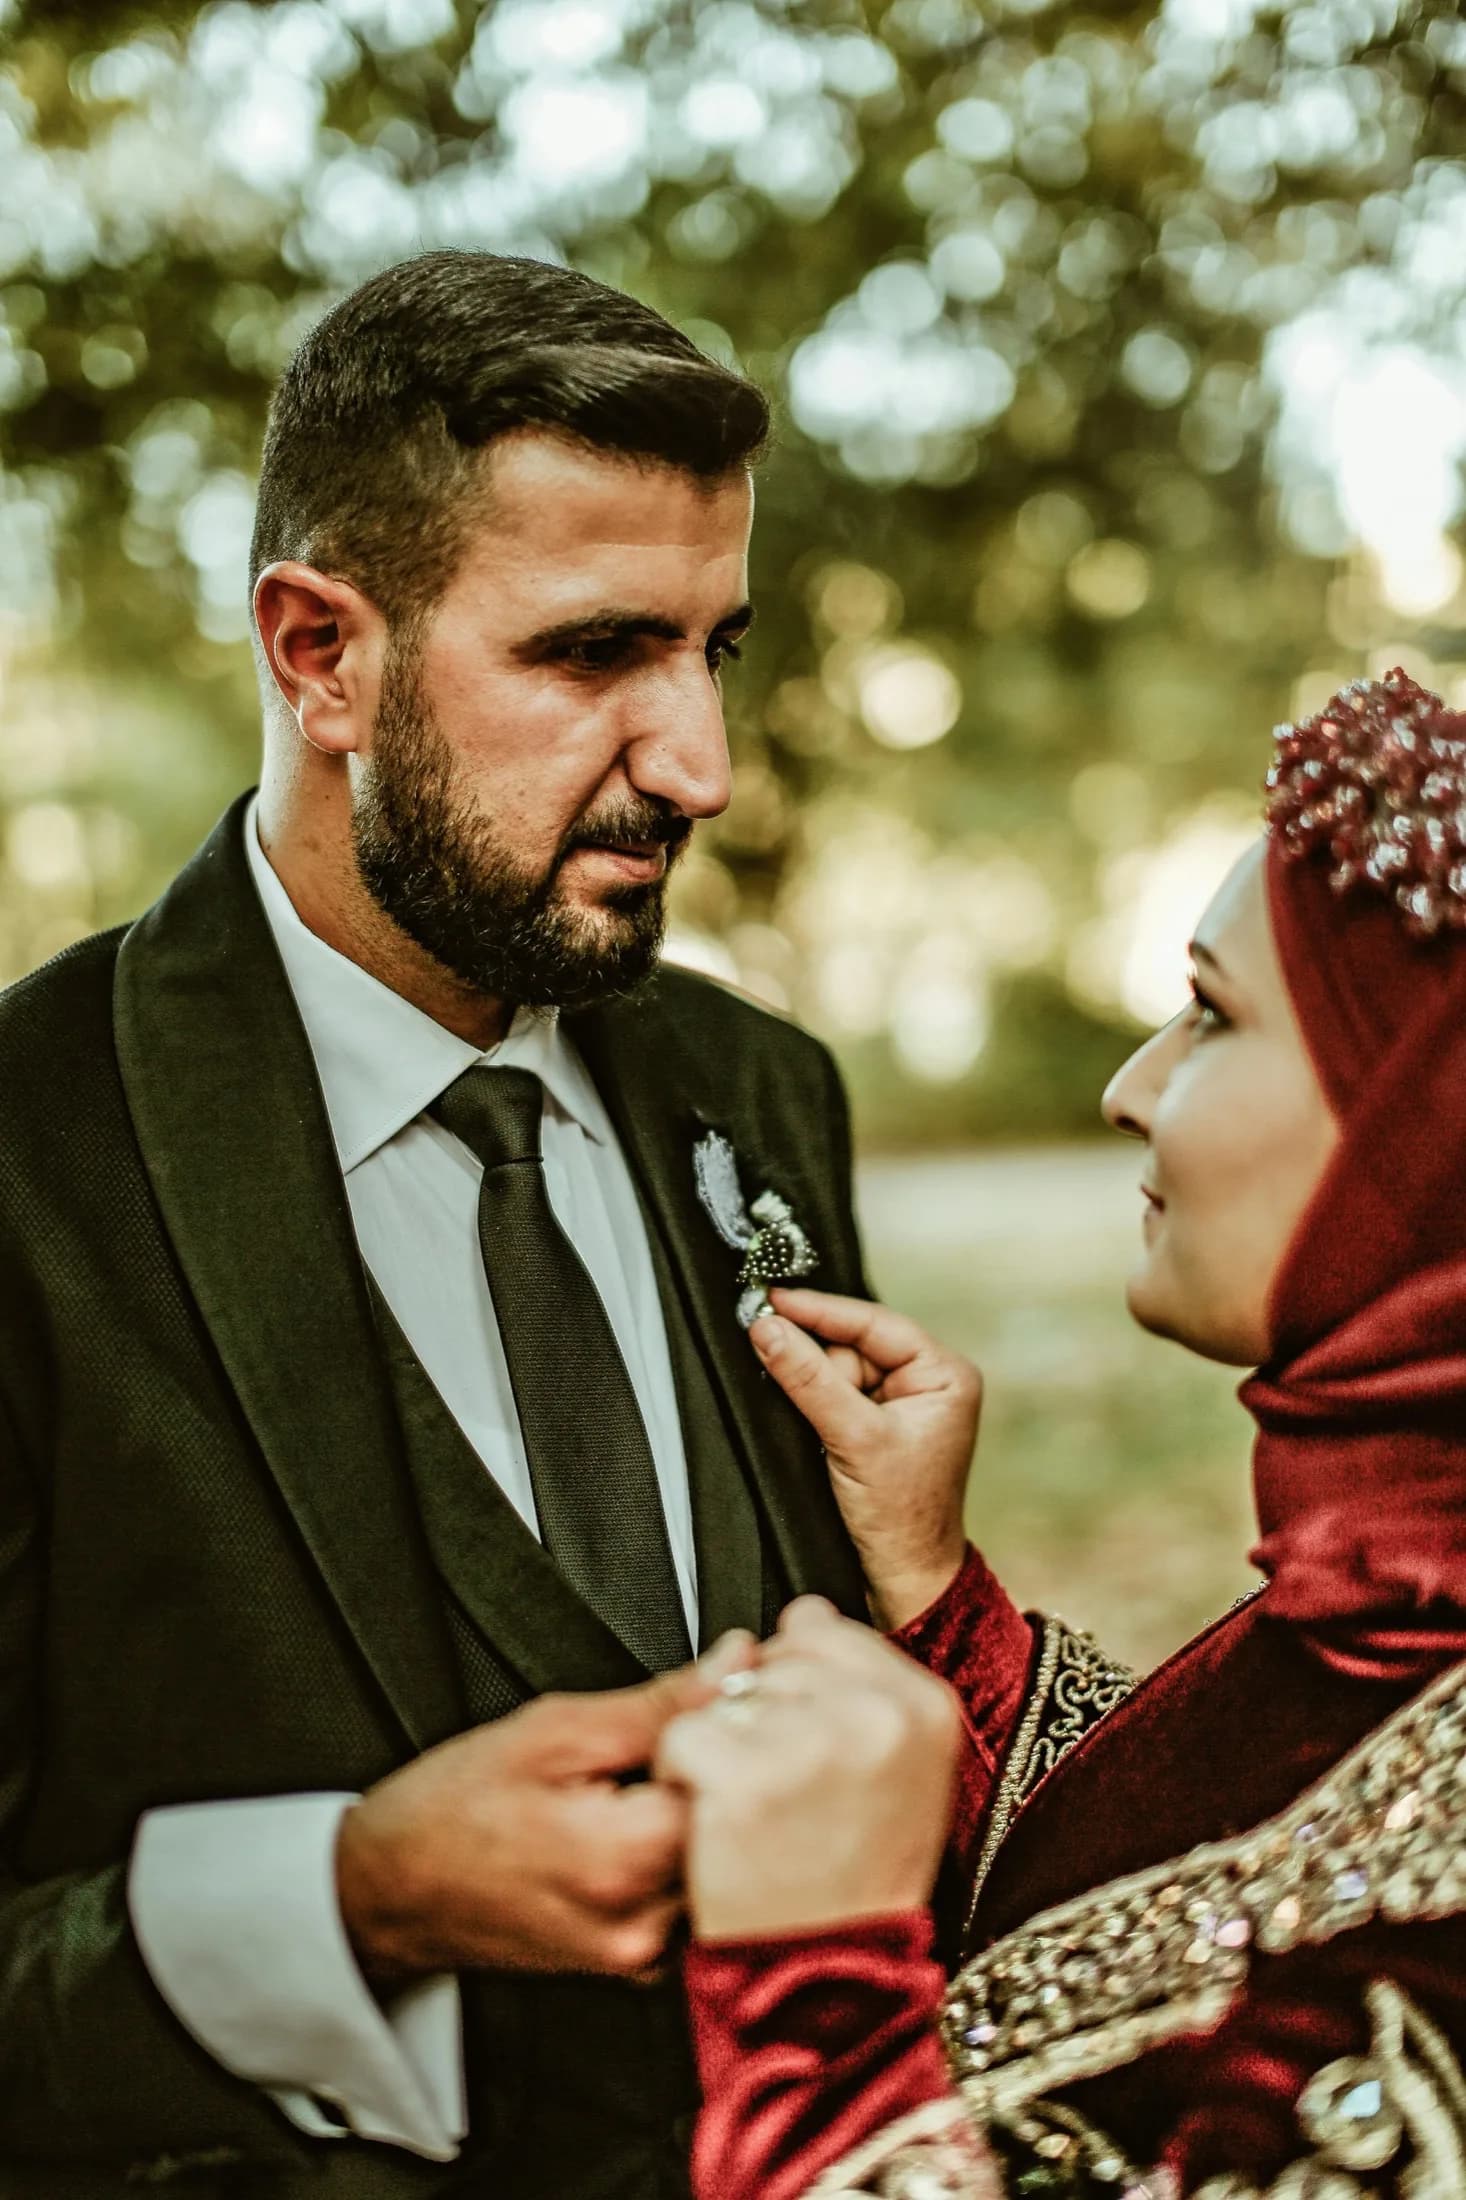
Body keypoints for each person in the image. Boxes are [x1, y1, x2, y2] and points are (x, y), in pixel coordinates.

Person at [0, 249, 872, 2198]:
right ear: (321, 653)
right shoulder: (27, 1157)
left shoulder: (763, 1092)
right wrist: (344, 1899)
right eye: (590, 654)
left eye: (713, 649)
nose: (700, 766)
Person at [660, 668, 1466, 2198]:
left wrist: (810, 1986)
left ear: (1424, 1130)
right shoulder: (1394, 1589)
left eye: (1210, 1015)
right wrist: (945, 1613)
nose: (1127, 1090)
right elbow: (1229, 1853)